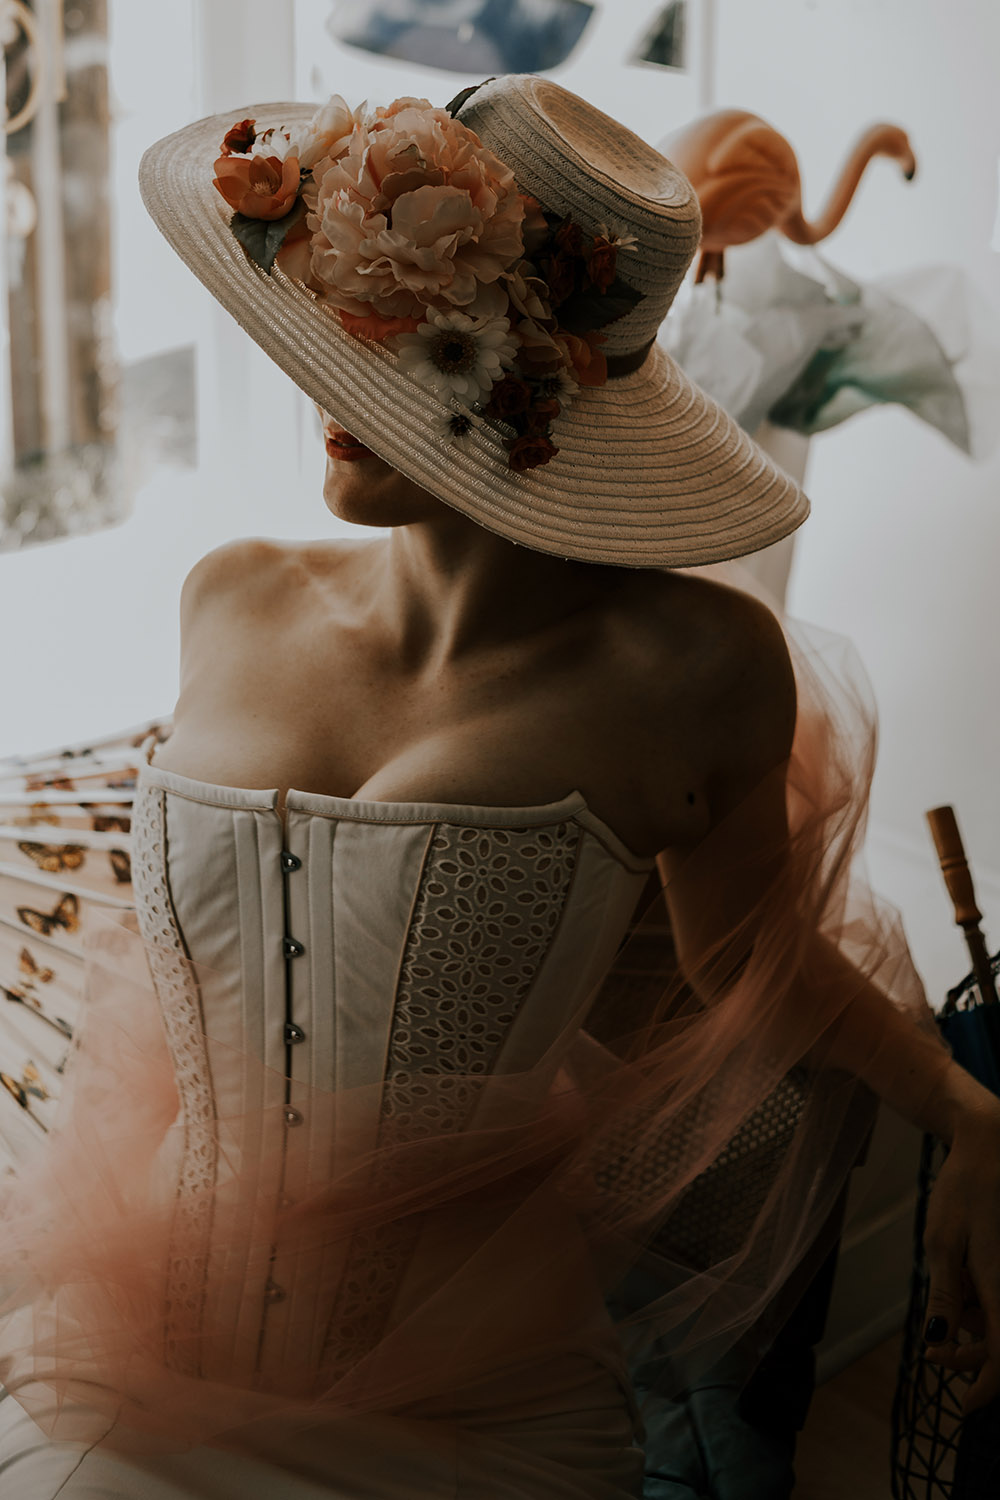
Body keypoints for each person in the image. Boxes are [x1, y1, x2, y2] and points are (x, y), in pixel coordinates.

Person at [0, 74, 997, 1499]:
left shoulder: (695, 669)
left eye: (419, 351)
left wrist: (969, 1113)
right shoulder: (228, 598)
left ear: (549, 401)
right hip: (142, 1344)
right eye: (345, 328)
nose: (340, 385)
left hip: (474, 1396)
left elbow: (759, 963)